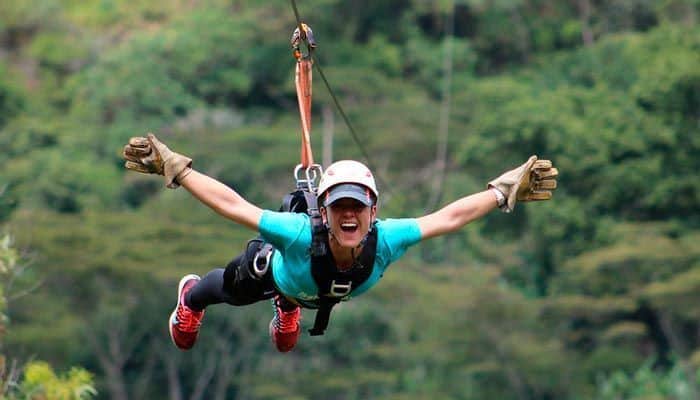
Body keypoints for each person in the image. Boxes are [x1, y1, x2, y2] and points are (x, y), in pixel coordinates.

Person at [122, 133, 558, 352]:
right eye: (338, 207)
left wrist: (502, 191)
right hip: (281, 273)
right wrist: (177, 169)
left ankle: (289, 307)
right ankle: (190, 299)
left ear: (373, 211)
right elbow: (234, 206)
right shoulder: (297, 233)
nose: (348, 215)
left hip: (309, 289)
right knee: (234, 287)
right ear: (324, 213)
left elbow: (448, 217)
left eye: (357, 207)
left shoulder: (387, 239)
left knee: (297, 302)